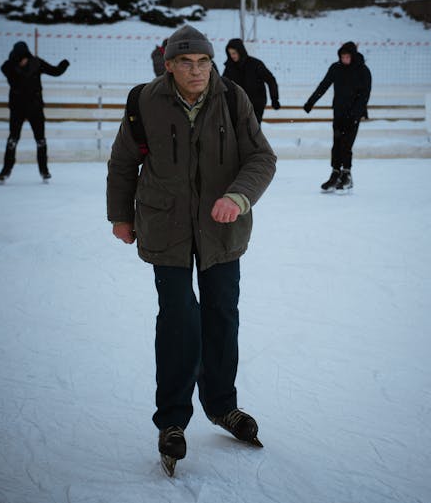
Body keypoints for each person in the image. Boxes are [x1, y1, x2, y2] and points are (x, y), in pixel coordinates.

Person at [106, 25, 276, 475]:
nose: (196, 70)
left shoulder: (234, 98)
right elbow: (124, 162)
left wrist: (237, 197)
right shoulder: (144, 101)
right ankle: (173, 422)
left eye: (203, 62)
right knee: (180, 318)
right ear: (168, 66)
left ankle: (222, 405)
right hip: (166, 227)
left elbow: (262, 158)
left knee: (221, 313)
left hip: (222, 230)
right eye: (185, 62)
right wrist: (120, 216)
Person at [0, 41, 70, 182]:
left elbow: (55, 71)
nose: (23, 61)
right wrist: (14, 63)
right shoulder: (9, 67)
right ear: (14, 58)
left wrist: (64, 64)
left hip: (35, 108)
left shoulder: (36, 63)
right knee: (13, 139)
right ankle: (6, 171)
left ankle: (44, 171)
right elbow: (4, 67)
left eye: (24, 58)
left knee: (40, 140)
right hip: (17, 109)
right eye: (19, 59)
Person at [303, 41, 371, 192]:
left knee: (347, 144)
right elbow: (324, 85)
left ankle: (347, 174)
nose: (344, 59)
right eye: (342, 56)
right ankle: (335, 173)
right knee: (337, 143)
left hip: (353, 114)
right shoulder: (336, 68)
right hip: (339, 112)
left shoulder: (363, 71)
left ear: (352, 56)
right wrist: (310, 102)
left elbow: (364, 95)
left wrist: (357, 113)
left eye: (347, 56)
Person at [222, 38, 280, 123]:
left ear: (240, 51)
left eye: (234, 53)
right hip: (237, 105)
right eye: (230, 53)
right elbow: (223, 84)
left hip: (255, 105)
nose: (232, 56)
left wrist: (274, 99)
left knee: (252, 131)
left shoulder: (255, 64)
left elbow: (270, 80)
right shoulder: (229, 67)